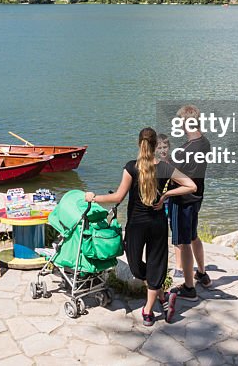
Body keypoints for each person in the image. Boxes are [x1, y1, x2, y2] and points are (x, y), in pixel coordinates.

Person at [87, 128, 196, 327]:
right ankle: (163, 296)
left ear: (139, 144)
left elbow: (118, 197)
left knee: (138, 267)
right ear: (155, 146)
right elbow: (191, 185)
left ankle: (148, 309)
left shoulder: (131, 167)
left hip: (137, 225)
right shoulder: (163, 167)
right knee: (143, 269)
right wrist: (167, 196)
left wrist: (93, 197)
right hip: (156, 225)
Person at [169, 105, 212, 302]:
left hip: (183, 200)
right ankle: (202, 273)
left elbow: (176, 176)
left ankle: (188, 287)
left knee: (183, 242)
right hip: (197, 198)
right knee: (193, 235)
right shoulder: (204, 143)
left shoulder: (186, 150)